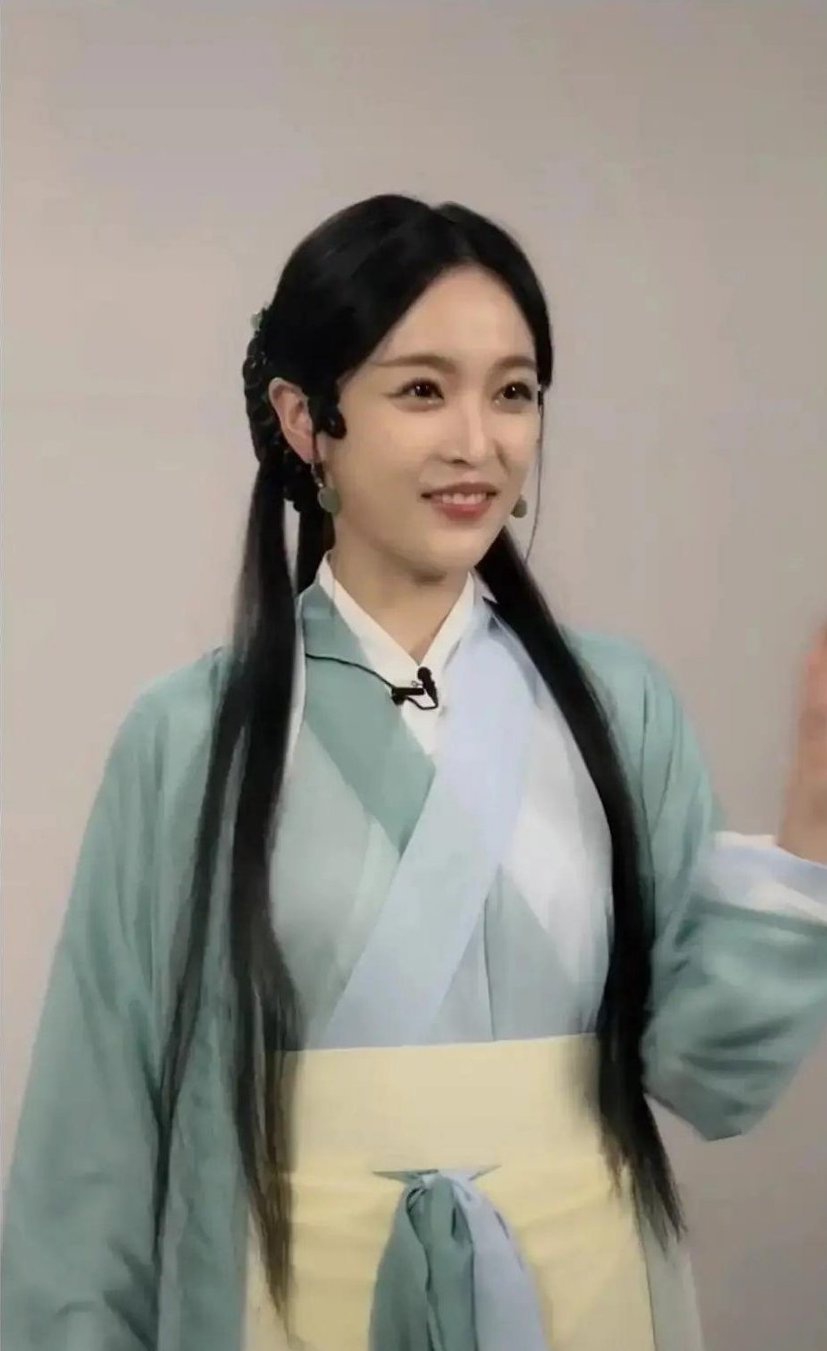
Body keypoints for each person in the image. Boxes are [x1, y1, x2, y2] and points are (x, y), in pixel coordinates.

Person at [2, 193, 827, 1351]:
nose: (476, 442)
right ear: (305, 419)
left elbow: (706, 1076)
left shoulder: (615, 704)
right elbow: (90, 1143)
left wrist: (810, 825)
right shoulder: (190, 734)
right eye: (422, 390)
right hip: (285, 1302)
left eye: (512, 392)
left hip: (580, 1296)